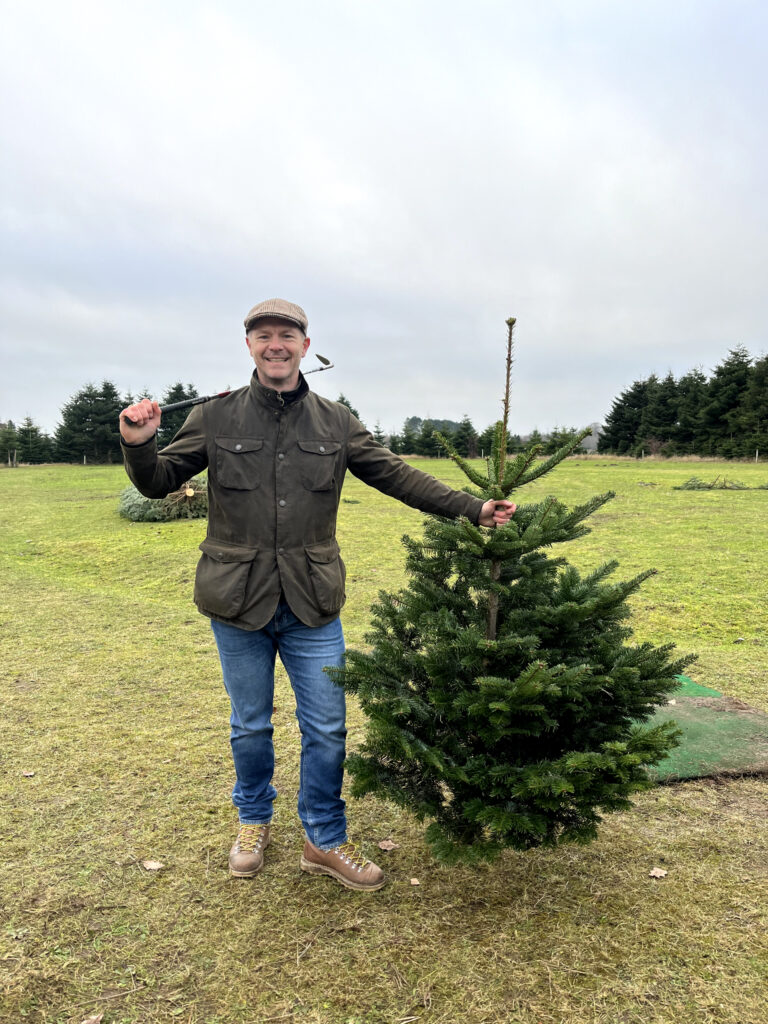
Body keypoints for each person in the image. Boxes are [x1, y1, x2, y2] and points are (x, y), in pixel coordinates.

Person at [119, 298, 516, 892]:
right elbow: (157, 482)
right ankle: (253, 821)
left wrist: (472, 508)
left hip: (312, 601)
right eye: (262, 335)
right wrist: (138, 441)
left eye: (286, 335)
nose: (275, 345)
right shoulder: (213, 416)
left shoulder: (336, 421)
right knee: (250, 726)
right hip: (237, 600)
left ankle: (324, 838)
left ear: (305, 346)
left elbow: (396, 475)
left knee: (328, 728)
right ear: (248, 346)